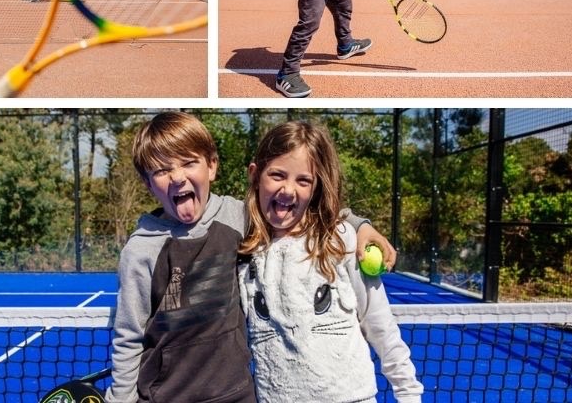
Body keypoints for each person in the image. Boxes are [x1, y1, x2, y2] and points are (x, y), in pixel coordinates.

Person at [106, 111, 397, 403]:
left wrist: (360, 225)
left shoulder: (237, 217)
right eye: (161, 170)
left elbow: (300, 210)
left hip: (237, 396)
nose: (178, 177)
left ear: (212, 166)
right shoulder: (140, 251)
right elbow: (129, 337)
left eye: (188, 163)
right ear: (147, 183)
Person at [238, 121, 424, 403]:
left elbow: (380, 326)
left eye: (303, 180)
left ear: (316, 187)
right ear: (255, 175)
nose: (288, 190)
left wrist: (409, 393)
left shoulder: (344, 240)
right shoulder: (242, 245)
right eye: (277, 175)